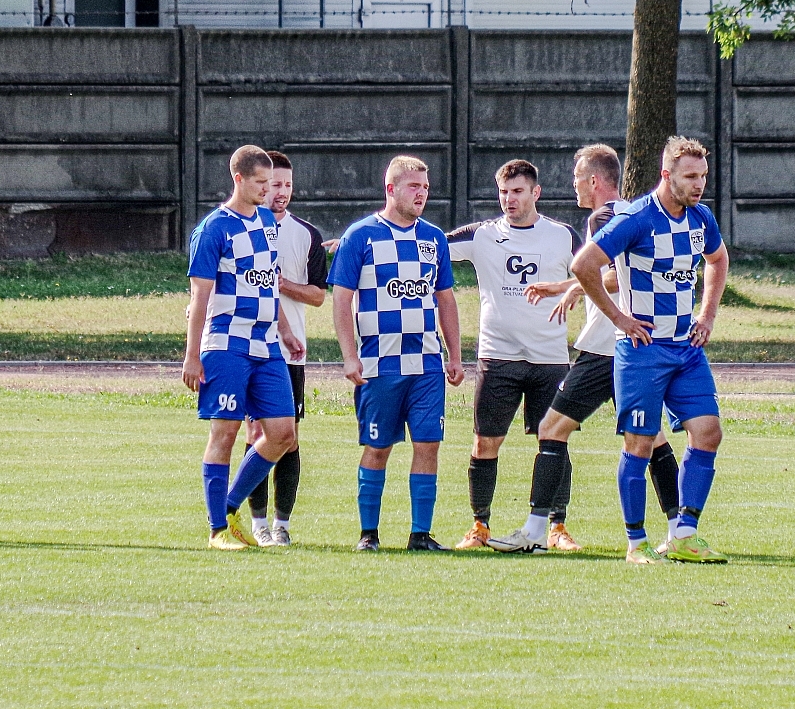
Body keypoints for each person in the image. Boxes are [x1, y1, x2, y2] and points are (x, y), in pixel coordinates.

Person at [511, 144, 687, 553]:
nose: (573, 184)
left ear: (593, 181)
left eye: (577, 177)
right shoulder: (634, 215)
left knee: (551, 429)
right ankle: (681, 530)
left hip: (607, 347)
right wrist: (570, 287)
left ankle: (536, 531)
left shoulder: (604, 217)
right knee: (652, 438)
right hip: (633, 348)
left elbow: (611, 275)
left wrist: (569, 286)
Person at [571, 136, 730, 564]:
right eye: (690, 176)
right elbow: (583, 266)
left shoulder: (701, 218)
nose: (699, 185)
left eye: (703, 176)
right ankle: (636, 543)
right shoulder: (636, 218)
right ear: (666, 175)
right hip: (642, 350)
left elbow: (718, 259)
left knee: (708, 432)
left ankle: (684, 535)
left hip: (686, 349)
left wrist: (707, 315)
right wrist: (619, 319)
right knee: (639, 443)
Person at [443, 160, 582, 553]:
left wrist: (569, 288)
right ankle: (480, 525)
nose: (509, 199)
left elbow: (595, 270)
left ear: (536, 193)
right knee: (485, 443)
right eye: (504, 192)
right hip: (498, 357)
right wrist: (358, 241)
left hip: (549, 359)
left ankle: (557, 527)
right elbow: (427, 243)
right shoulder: (483, 235)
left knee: (554, 441)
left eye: (517, 191)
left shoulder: (562, 236)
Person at [329, 155, 464, 551]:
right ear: (391, 189)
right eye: (413, 186)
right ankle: (368, 534)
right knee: (378, 447)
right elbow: (341, 300)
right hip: (379, 364)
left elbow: (445, 299)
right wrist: (349, 355)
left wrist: (455, 355)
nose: (422, 194)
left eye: (425, 187)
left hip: (426, 364)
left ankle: (420, 534)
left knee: (428, 444)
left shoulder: (434, 238)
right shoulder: (361, 236)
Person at [182, 145, 303, 550]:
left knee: (283, 434)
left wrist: (285, 329)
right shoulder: (213, 229)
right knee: (226, 433)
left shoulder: (267, 221)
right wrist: (192, 355)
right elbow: (199, 297)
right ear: (239, 179)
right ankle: (217, 530)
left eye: (271, 182)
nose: (268, 190)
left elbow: (268, 282)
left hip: (266, 344)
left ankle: (229, 506)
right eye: (261, 182)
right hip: (226, 343)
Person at [244, 150, 328, 546]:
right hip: (250, 346)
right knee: (256, 432)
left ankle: (283, 524)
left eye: (288, 185)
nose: (282, 192)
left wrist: (282, 284)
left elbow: (318, 296)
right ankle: (257, 523)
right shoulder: (244, 229)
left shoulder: (306, 235)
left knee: (289, 436)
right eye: (275, 184)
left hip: (291, 353)